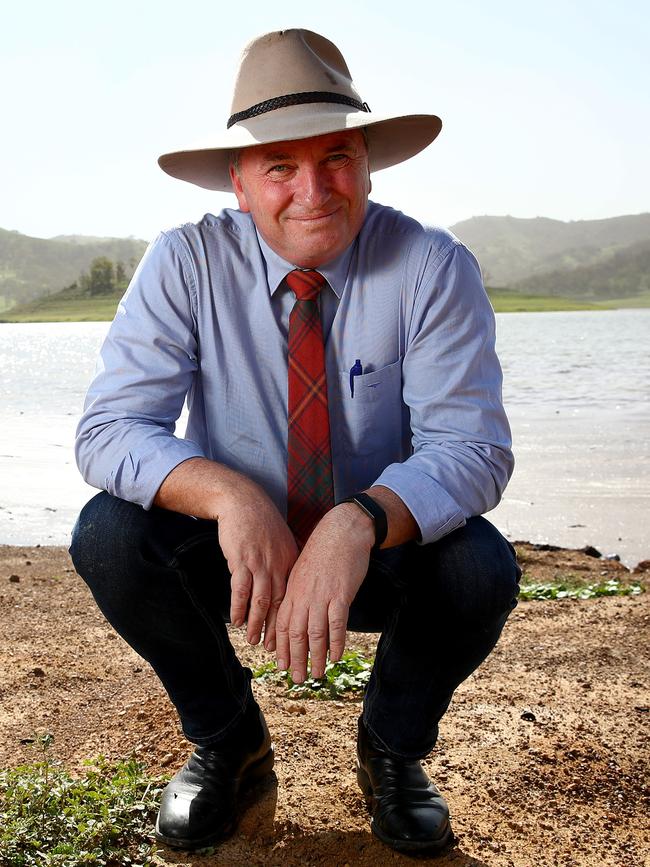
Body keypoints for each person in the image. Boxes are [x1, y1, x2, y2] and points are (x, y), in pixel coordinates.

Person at [70, 28, 520, 856]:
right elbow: (108, 431)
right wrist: (229, 495)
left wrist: (360, 519)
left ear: (367, 163)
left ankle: (392, 748)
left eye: (337, 157)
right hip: (240, 557)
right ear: (240, 183)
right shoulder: (184, 262)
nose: (313, 190)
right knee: (108, 535)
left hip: (377, 555)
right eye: (279, 164)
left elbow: (475, 448)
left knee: (479, 565)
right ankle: (229, 740)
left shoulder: (432, 266)